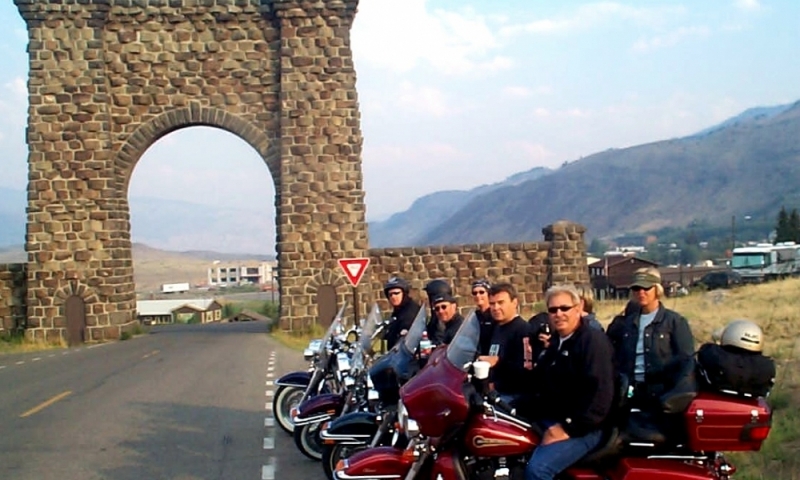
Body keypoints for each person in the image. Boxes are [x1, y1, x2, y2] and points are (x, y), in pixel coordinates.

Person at [524, 284, 615, 480]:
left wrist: (566, 429)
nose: (559, 314)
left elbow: (599, 397)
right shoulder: (558, 341)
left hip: (585, 428)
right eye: (553, 309)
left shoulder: (592, 342)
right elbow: (540, 381)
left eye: (564, 308)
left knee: (537, 470)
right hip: (554, 418)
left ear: (579, 307)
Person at [606, 267, 695, 412]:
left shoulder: (674, 322)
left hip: (661, 394)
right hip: (630, 394)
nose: (641, 292)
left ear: (657, 289)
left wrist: (674, 397)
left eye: (646, 288)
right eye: (636, 288)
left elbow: (686, 362)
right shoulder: (627, 324)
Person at [478, 283, 534, 405]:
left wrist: (498, 362)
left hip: (511, 396)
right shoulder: (497, 327)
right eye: (492, 304)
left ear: (514, 303)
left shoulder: (523, 330)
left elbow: (525, 370)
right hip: (493, 390)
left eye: (500, 302)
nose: (495, 308)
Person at [381, 276, 421, 350]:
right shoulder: (398, 311)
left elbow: (406, 327)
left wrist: (404, 331)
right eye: (390, 295)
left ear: (404, 293)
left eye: (396, 293)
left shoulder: (410, 310)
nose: (393, 297)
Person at [471, 279, 495, 355]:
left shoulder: (494, 313)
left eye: (481, 292)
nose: (478, 295)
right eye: (475, 293)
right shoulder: (475, 315)